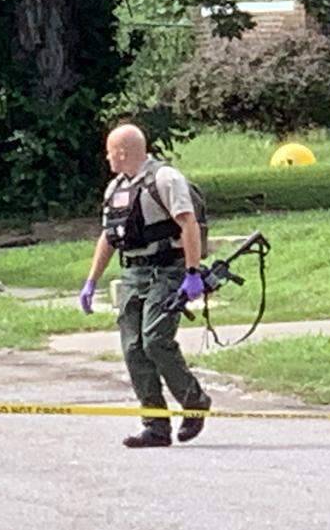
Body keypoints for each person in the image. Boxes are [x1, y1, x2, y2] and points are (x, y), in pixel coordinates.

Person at [79, 123, 212, 448]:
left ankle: (194, 401)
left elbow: (188, 223)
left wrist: (192, 272)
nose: (107, 158)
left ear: (122, 152)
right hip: (133, 276)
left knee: (155, 339)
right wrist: (91, 280)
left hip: (167, 271)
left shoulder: (165, 179)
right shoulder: (115, 190)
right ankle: (155, 425)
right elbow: (109, 237)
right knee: (133, 349)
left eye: (110, 151)